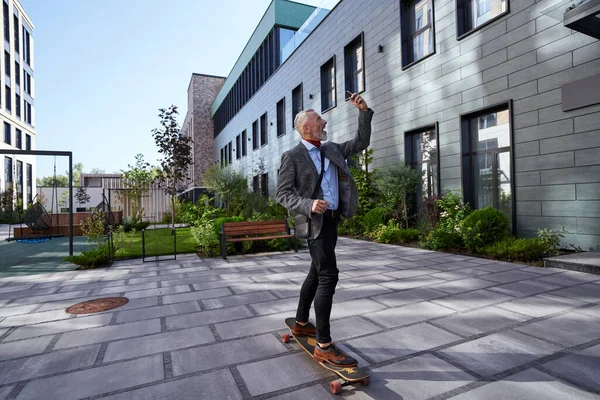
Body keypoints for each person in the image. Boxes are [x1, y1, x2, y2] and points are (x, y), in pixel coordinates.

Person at [276, 92, 373, 366]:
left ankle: (301, 322)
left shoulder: (330, 148)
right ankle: (323, 344)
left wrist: (363, 112)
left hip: (332, 220)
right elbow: (282, 194)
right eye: (319, 119)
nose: (324, 120)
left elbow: (360, 143)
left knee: (316, 272)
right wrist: (309, 204)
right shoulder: (292, 156)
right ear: (306, 127)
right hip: (313, 222)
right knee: (328, 275)